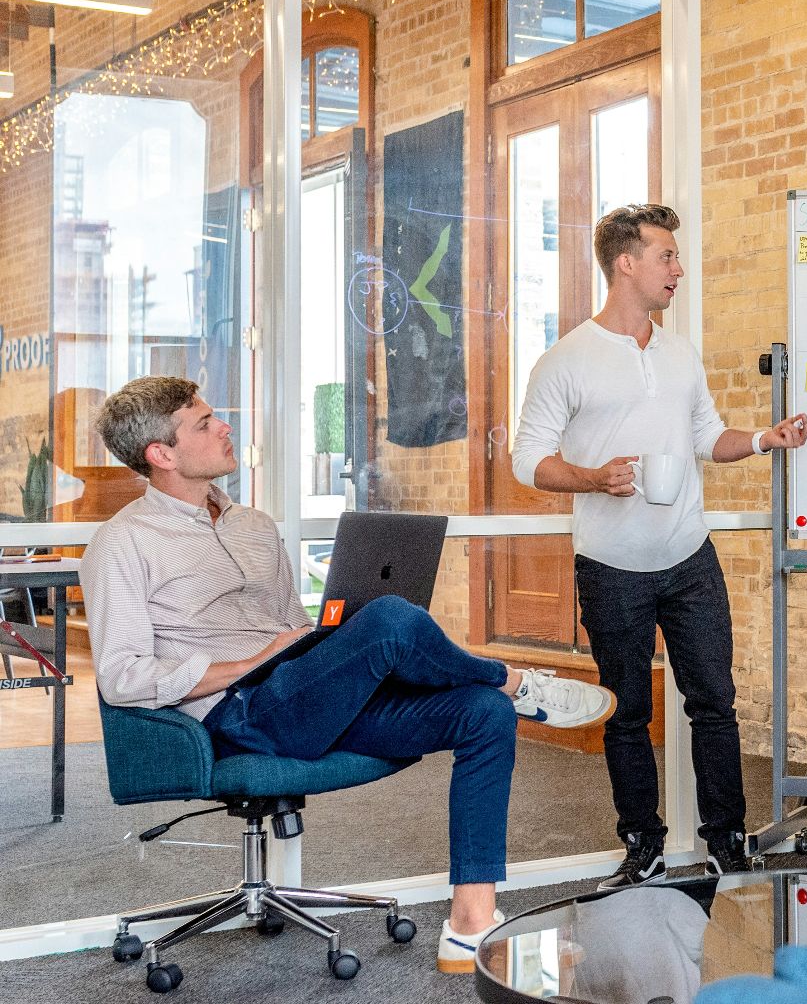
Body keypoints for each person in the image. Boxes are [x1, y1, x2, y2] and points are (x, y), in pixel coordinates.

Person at [82, 376, 614, 975]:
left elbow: (292, 625)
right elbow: (122, 677)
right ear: (162, 454)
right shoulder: (122, 543)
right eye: (205, 423)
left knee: (479, 713)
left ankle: (470, 922)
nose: (225, 426)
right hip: (239, 714)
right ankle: (513, 681)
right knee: (390, 621)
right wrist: (252, 661)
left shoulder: (253, 525)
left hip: (303, 693)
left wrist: (325, 637)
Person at [511, 203, 807, 887]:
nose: (678, 269)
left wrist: (767, 438)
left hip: (689, 558)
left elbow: (709, 438)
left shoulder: (679, 354)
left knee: (713, 701)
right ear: (627, 262)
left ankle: (725, 841)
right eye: (666, 256)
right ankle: (643, 843)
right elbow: (527, 460)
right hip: (612, 566)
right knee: (626, 709)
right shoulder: (567, 359)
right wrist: (594, 476)